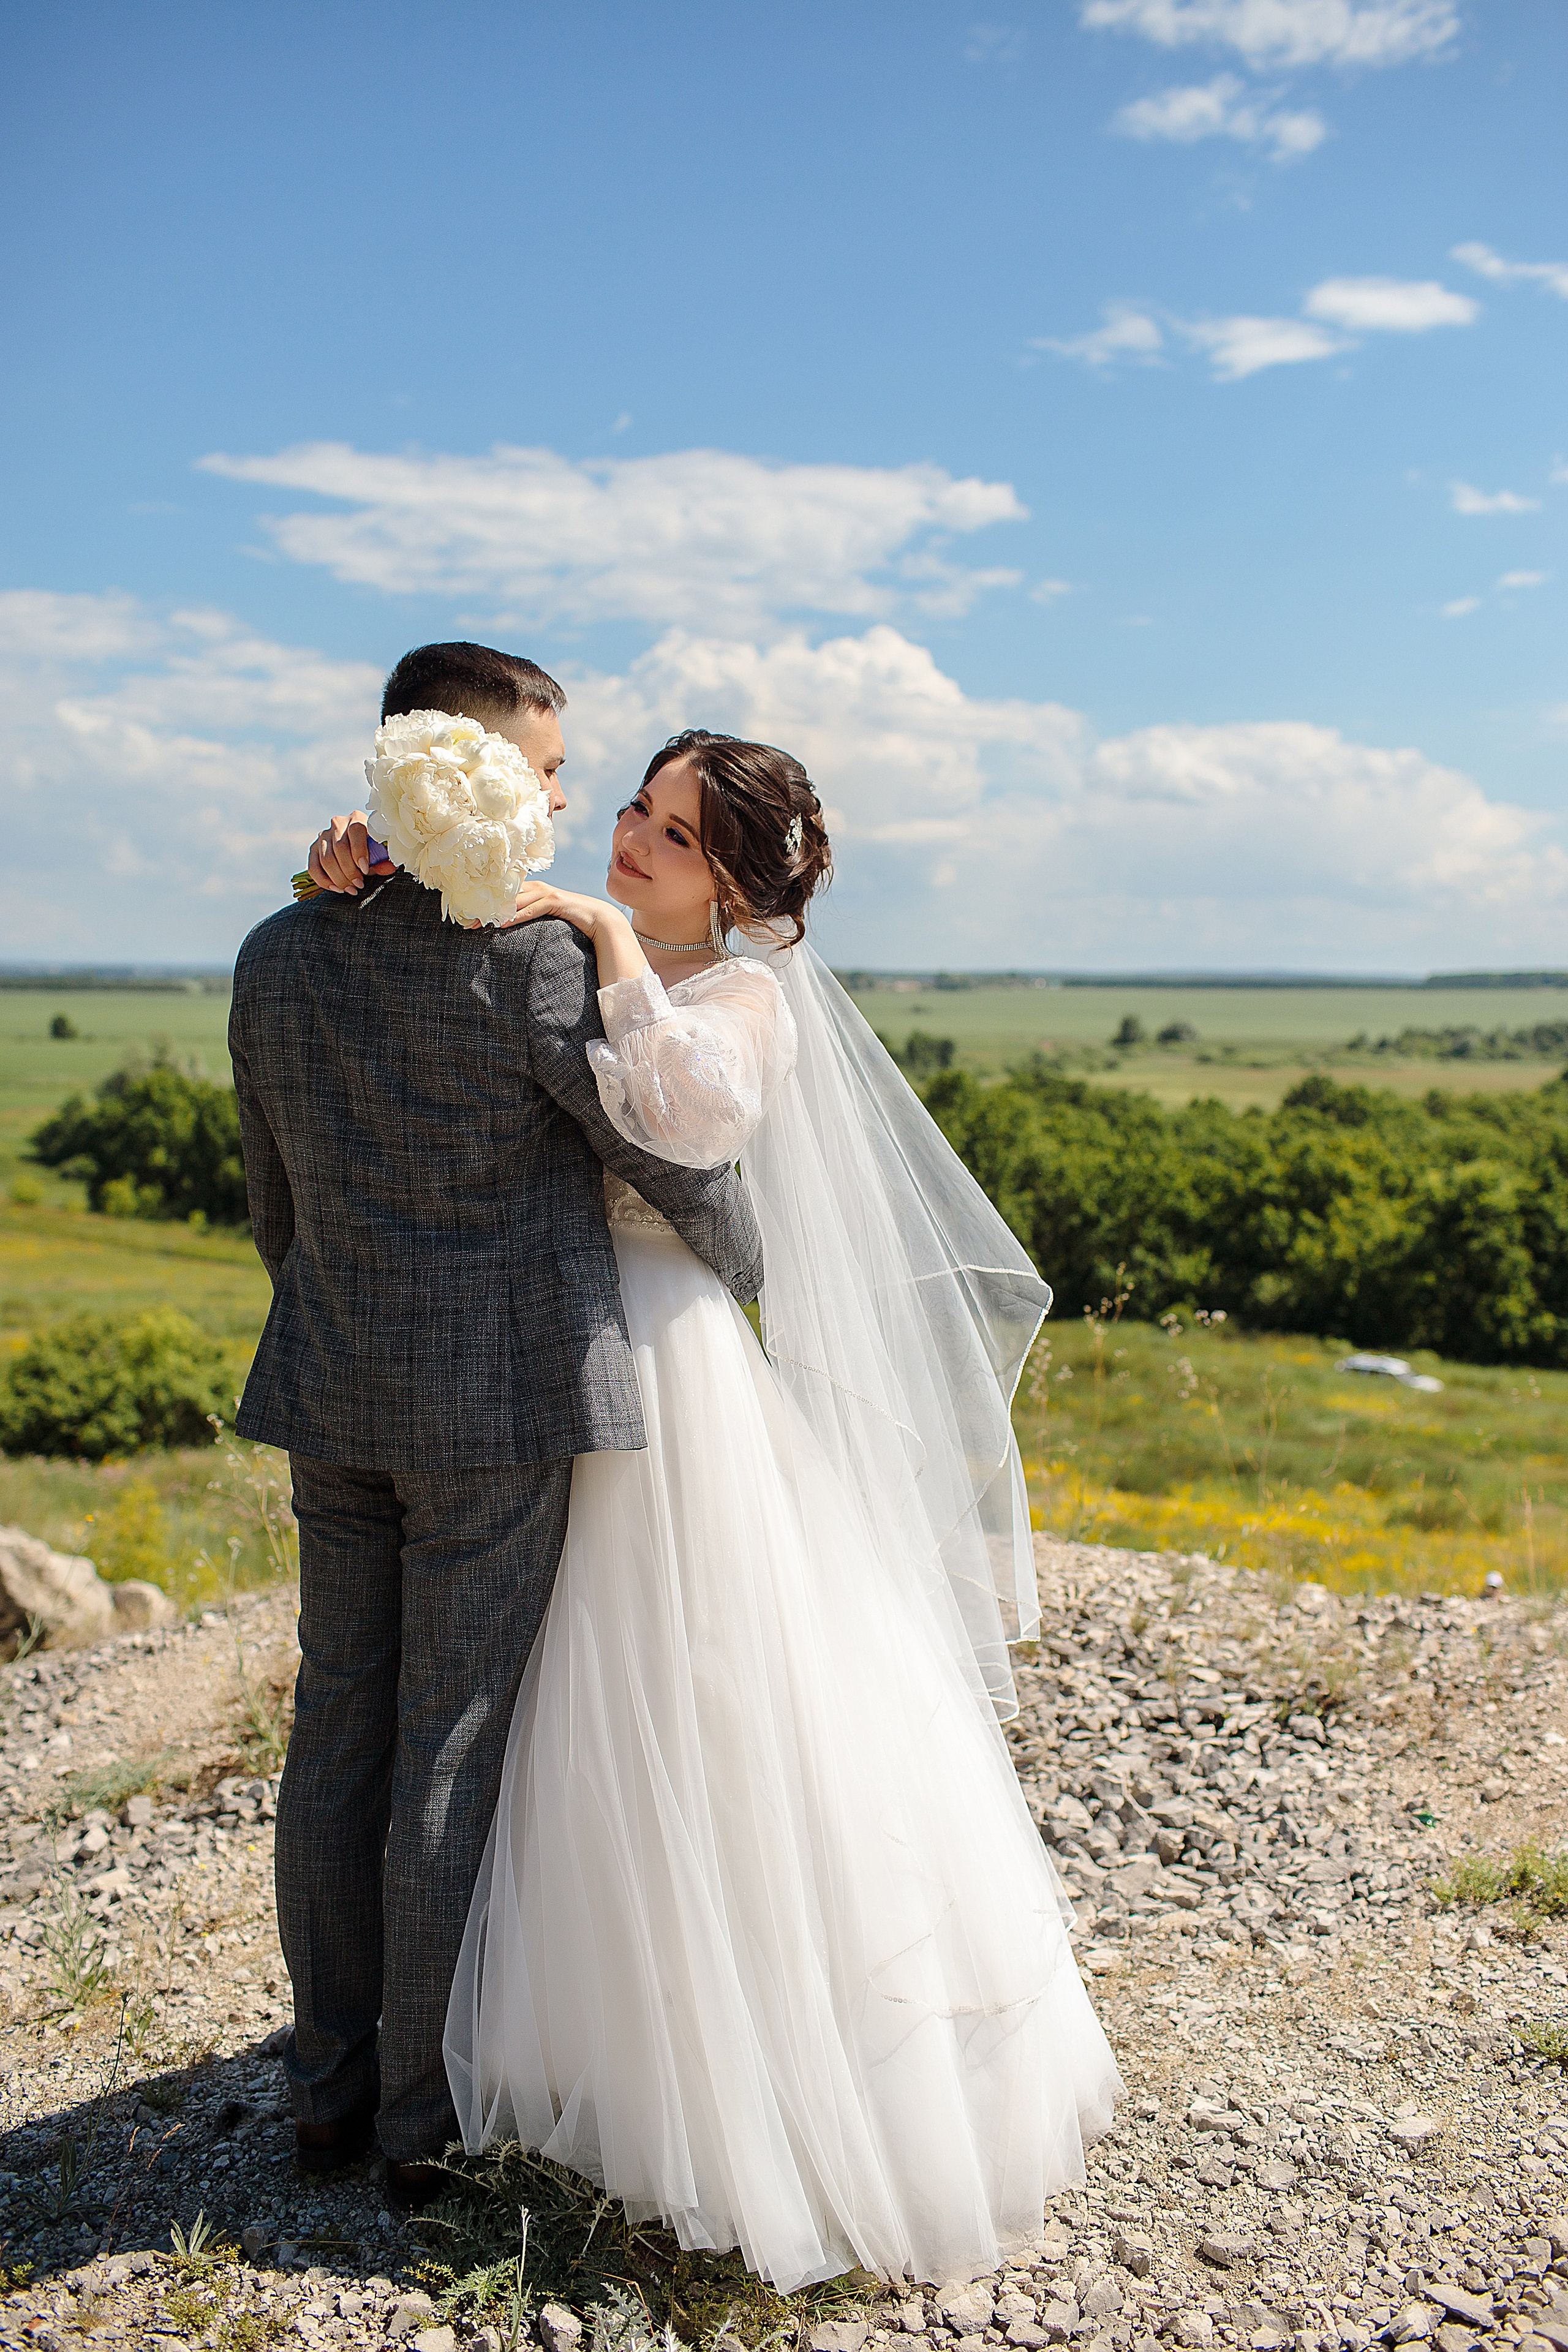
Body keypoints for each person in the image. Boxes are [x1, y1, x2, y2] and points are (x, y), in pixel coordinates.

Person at [304, 724, 1121, 2286]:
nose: (628, 844)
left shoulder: (742, 995)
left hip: (664, 1363)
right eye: (630, 812)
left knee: (687, 1699)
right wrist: (368, 857)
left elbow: (685, 1125)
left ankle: (724, 2090)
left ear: (736, 885)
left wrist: (613, 942)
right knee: (535, 1708)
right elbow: (436, 930)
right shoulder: (539, 911)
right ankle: (539, 2044)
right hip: (522, 1350)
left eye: (672, 838)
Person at [231, 643, 764, 2212]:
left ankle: (321, 2094)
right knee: (446, 1742)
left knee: (336, 1728)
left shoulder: (274, 949)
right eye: (541, 769)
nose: (553, 798)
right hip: (498, 1409)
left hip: (329, 1389)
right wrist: (767, 1289)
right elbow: (668, 1169)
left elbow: (273, 1200)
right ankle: (415, 2121)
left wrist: (344, 1316)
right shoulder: (529, 964)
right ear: (457, 766)